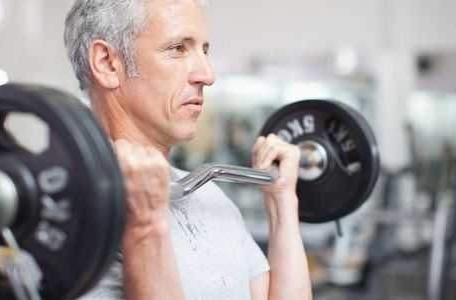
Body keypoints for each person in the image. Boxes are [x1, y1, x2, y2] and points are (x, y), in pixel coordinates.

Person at [63, 0, 312, 299]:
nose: (207, 75)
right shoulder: (61, 219)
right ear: (107, 63)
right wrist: (143, 225)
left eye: (204, 51)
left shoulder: (209, 195)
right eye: (178, 48)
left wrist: (282, 204)